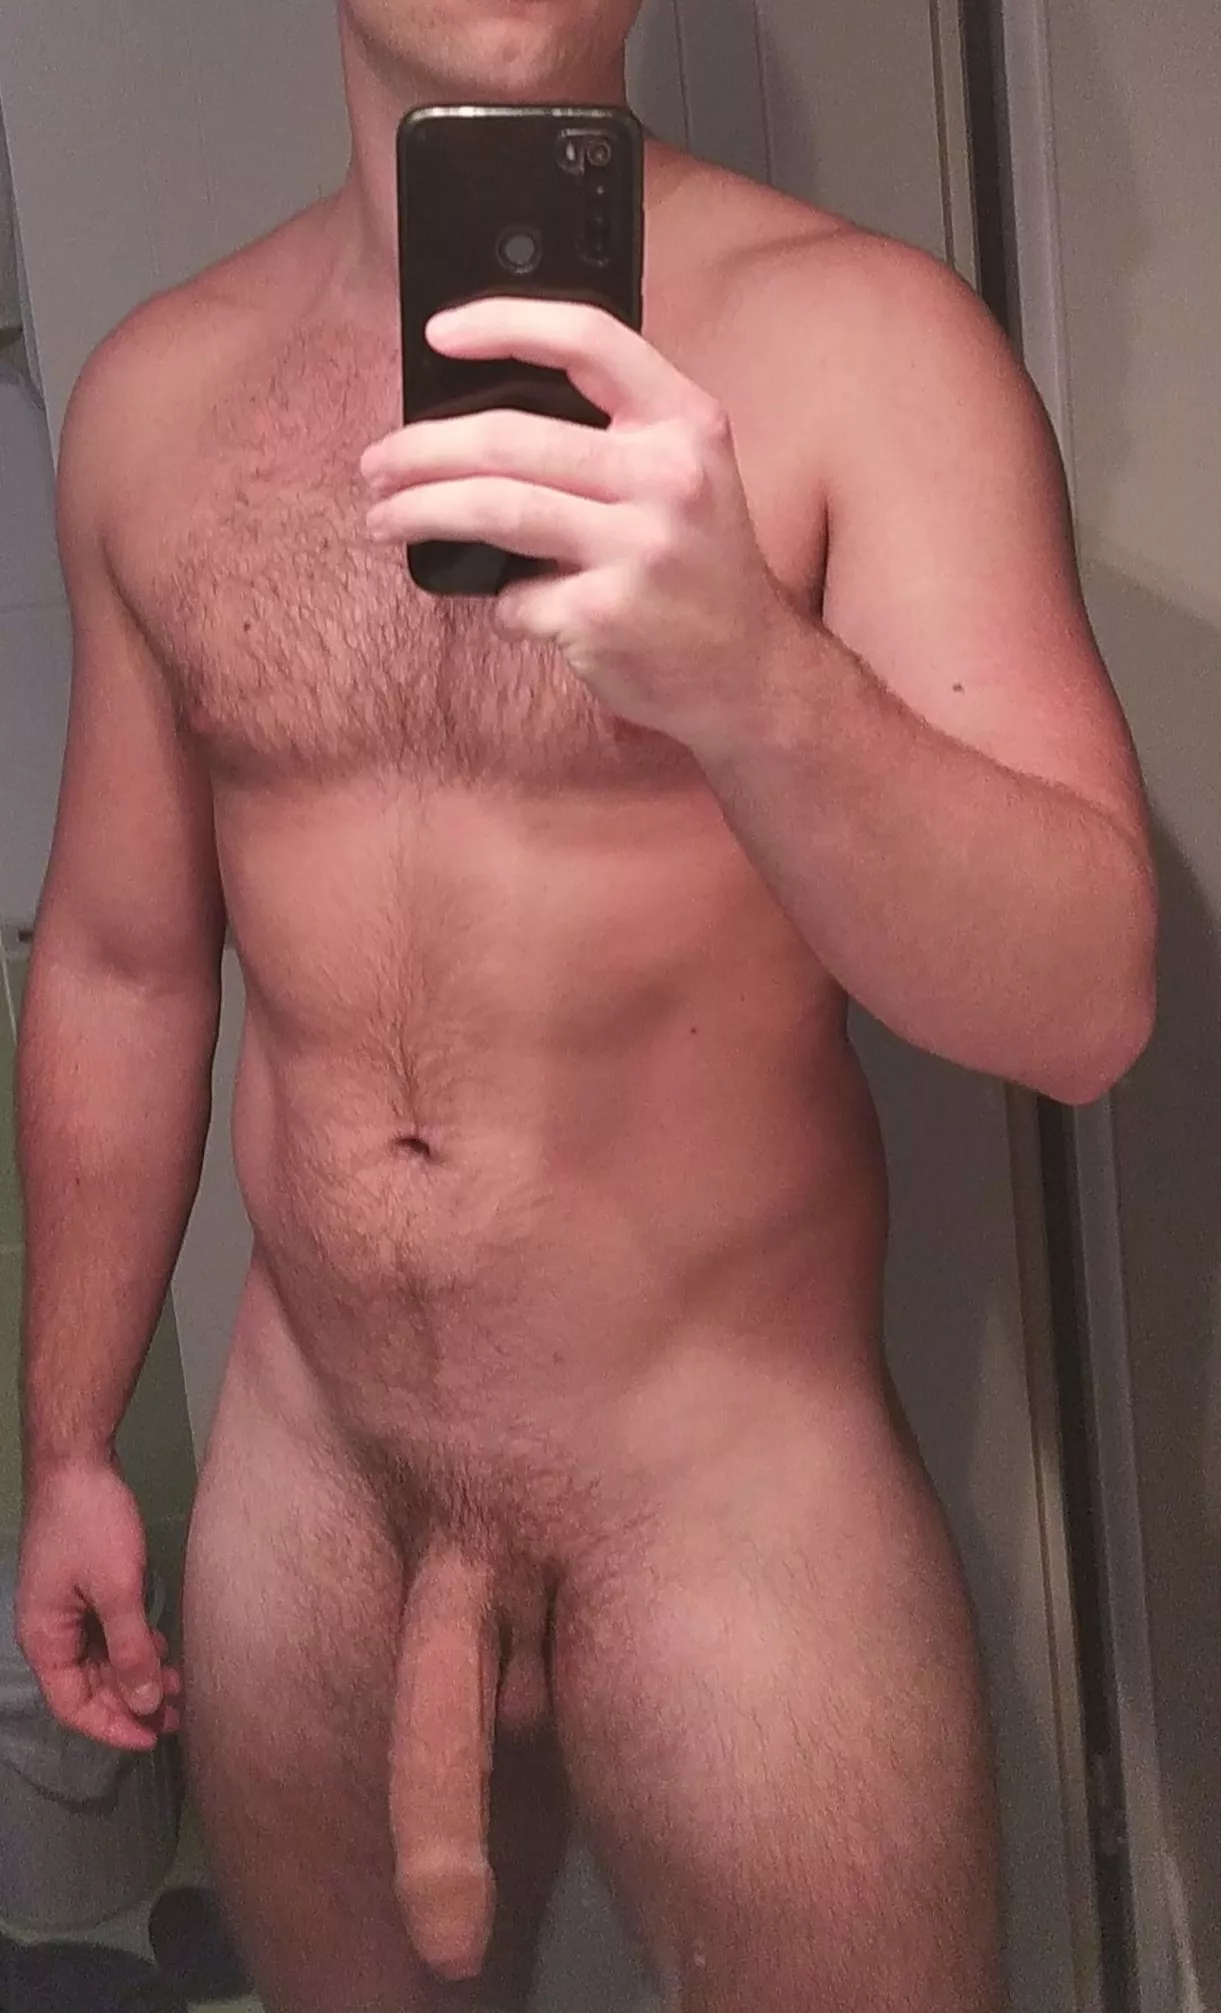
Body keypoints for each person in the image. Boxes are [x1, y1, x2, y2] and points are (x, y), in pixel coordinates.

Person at [13, 2, 1157, 2009]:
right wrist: (73, 1439)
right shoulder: (156, 399)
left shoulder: (866, 351)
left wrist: (753, 680)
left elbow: (1083, 1006)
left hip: (728, 1503)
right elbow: (122, 960)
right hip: (313, 1479)